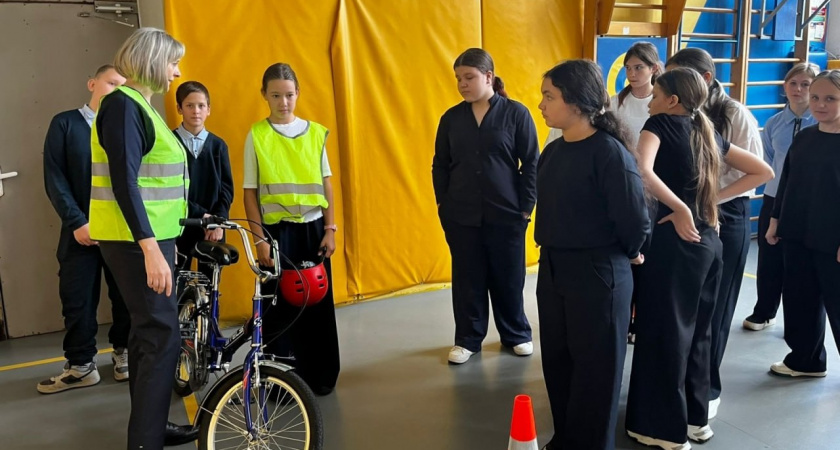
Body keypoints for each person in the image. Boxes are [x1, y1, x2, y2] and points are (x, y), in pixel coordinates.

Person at [625, 68, 773, 450]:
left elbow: (641, 170)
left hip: (676, 240)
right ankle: (695, 418)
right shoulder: (705, 129)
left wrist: (680, 207)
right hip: (708, 243)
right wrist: (707, 204)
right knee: (699, 331)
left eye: (655, 94)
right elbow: (763, 170)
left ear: (671, 100)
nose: (651, 101)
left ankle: (662, 429)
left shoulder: (657, 124)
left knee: (664, 331)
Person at [89, 27, 196, 448]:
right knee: (160, 334)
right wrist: (149, 248)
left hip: (150, 238)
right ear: (153, 61)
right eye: (173, 61)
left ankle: (151, 428)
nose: (177, 71)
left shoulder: (140, 107)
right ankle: (146, 439)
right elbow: (125, 182)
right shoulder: (122, 106)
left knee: (147, 333)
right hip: (138, 243)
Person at [535, 59, 650, 450]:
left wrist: (629, 255)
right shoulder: (552, 154)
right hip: (553, 270)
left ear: (578, 101)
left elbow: (634, 221)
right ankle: (566, 438)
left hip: (598, 274)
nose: (542, 105)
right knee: (559, 361)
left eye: (549, 96)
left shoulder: (609, 154)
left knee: (596, 371)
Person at [665, 47, 764, 418]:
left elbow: (754, 174)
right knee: (683, 308)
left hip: (725, 212)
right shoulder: (678, 112)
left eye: (676, 77)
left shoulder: (732, 113)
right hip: (685, 214)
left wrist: (709, 201)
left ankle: (706, 388)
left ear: (704, 79)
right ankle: (678, 385)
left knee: (714, 309)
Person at [432, 48, 538, 365]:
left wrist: (525, 208)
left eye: (469, 77)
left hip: (507, 214)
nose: (462, 84)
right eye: (458, 79)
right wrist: (443, 203)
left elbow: (531, 163)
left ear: (488, 77)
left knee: (509, 277)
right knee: (467, 279)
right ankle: (467, 339)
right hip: (461, 215)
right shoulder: (451, 119)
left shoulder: (516, 114)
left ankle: (516, 334)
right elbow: (440, 165)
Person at [243, 62, 340, 395]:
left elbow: (326, 183)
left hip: (313, 232)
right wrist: (259, 241)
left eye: (288, 95)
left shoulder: (315, 133)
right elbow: (250, 193)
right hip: (276, 233)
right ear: (264, 96)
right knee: (279, 308)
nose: (283, 102)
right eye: (275, 95)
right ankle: (279, 383)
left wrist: (331, 228)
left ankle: (321, 375)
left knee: (317, 302)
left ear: (297, 93)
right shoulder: (256, 135)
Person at [39, 64, 130, 394]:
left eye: (122, 87)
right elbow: (55, 178)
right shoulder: (65, 124)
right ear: (92, 83)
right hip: (79, 232)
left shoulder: (124, 129)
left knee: (124, 298)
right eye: (110, 83)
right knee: (77, 299)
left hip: (120, 232)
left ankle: (124, 355)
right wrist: (77, 221)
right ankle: (81, 366)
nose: (114, 90)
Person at [765, 69, 840, 378]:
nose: (820, 105)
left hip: (831, 238)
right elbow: (786, 182)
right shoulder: (805, 137)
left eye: (830, 98)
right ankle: (806, 359)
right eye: (816, 98)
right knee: (799, 298)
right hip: (797, 231)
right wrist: (775, 221)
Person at [743, 63, 818, 331]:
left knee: (799, 262)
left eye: (806, 84)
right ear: (784, 87)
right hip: (774, 199)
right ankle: (764, 311)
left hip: (807, 202)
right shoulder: (774, 123)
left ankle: (799, 323)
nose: (798, 89)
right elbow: (770, 162)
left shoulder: (822, 123)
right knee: (769, 257)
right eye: (793, 83)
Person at [173, 81, 234, 277]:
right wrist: (201, 216)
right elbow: (171, 189)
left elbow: (226, 189)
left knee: (210, 288)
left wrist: (217, 222)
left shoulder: (218, 146)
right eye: (190, 105)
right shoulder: (170, 144)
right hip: (179, 225)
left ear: (209, 109)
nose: (196, 111)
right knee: (177, 285)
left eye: (201, 106)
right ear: (179, 108)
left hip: (213, 229)